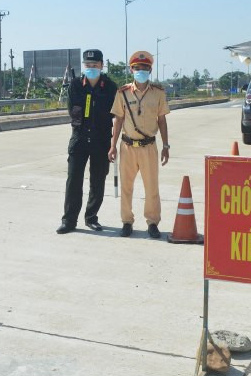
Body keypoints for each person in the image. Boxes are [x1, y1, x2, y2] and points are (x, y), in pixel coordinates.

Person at [108, 51, 170, 238]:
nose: (140, 71)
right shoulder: (123, 93)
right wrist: (112, 146)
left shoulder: (158, 93)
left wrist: (166, 146)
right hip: (127, 147)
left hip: (149, 147)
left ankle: (152, 222)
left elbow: (162, 121)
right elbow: (118, 120)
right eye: (136, 68)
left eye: (144, 68)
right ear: (131, 69)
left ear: (150, 70)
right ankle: (127, 222)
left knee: (152, 187)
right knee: (126, 187)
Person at [57, 49, 118, 234]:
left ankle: (91, 218)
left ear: (102, 65)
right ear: (84, 66)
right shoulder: (75, 85)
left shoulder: (110, 87)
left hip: (101, 140)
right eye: (88, 65)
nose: (91, 68)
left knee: (97, 181)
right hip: (79, 139)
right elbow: (72, 111)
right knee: (73, 181)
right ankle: (69, 221)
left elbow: (115, 113)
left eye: (95, 65)